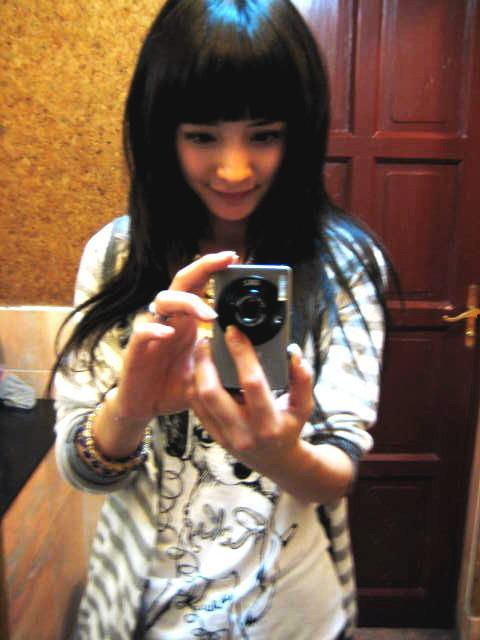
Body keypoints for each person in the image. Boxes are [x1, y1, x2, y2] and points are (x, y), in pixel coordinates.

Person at [52, 0, 390, 638]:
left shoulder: (345, 263)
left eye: (264, 135)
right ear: (162, 133)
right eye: (202, 136)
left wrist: (279, 454)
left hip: (294, 616)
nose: (234, 169)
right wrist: (131, 405)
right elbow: (82, 470)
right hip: (142, 615)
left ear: (299, 132)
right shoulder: (116, 257)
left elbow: (338, 470)